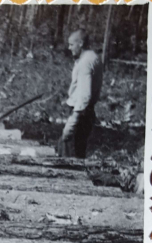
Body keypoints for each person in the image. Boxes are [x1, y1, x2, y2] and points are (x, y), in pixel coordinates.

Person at [58, 29, 103, 159]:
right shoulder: (92, 57)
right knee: (78, 149)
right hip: (86, 111)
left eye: (72, 44)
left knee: (68, 148)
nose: (69, 47)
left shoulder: (85, 62)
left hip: (81, 112)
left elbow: (85, 94)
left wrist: (74, 119)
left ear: (81, 43)